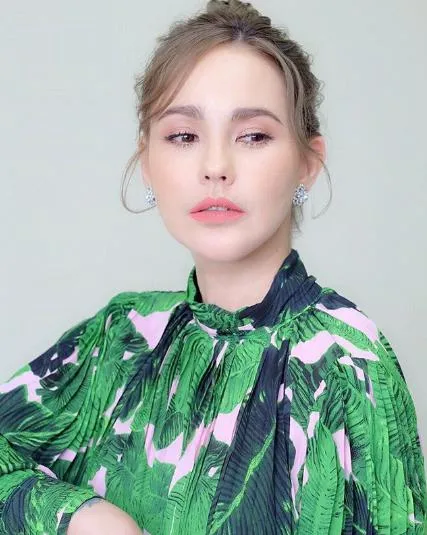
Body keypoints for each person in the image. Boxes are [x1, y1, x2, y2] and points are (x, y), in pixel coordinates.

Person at [1, 0, 426, 533]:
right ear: (147, 162)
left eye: (253, 136)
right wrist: (81, 517)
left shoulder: (345, 362)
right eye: (184, 136)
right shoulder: (122, 337)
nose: (216, 167)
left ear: (308, 162)